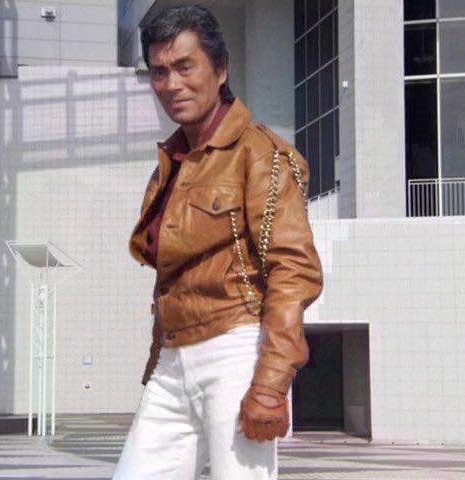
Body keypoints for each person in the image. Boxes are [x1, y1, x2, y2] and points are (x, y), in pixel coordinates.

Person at [115, 5, 322, 479]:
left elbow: (294, 271)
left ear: (221, 69)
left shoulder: (262, 154)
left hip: (237, 349)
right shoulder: (172, 162)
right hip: (172, 358)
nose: (171, 83)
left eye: (185, 66)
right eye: (159, 71)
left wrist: (271, 382)